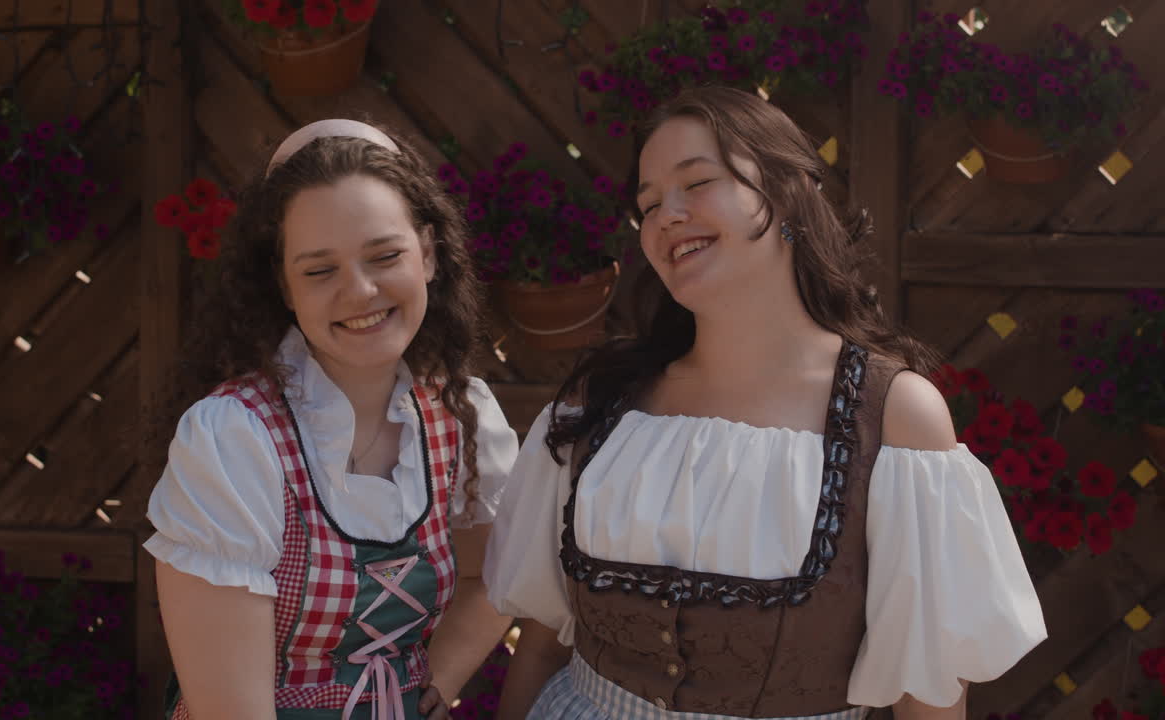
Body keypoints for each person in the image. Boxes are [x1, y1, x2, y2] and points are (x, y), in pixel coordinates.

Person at [485, 87, 1047, 720]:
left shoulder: (894, 417)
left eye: (696, 182)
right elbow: (539, 647)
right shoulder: (601, 403)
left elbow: (930, 697)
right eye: (647, 205)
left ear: (784, 196)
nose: (666, 214)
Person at [145, 119, 517, 720]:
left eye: (385, 255)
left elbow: (495, 575)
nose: (362, 290)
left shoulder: (462, 417)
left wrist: (438, 680)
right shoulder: (234, 439)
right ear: (284, 286)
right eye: (320, 270)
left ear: (427, 253)